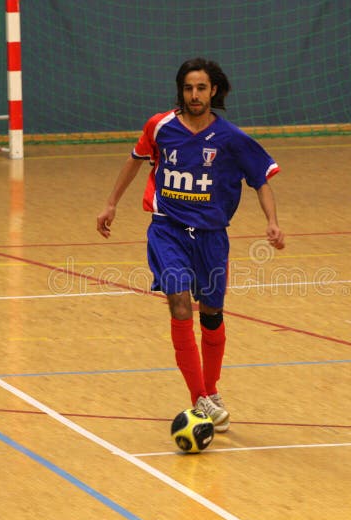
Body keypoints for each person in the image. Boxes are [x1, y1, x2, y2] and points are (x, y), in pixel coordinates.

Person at [96, 58, 284, 433]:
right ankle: (199, 397)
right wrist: (112, 202)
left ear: (213, 91)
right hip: (168, 230)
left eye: (201, 88)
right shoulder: (161, 126)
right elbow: (135, 160)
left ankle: (210, 392)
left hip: (212, 237)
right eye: (188, 88)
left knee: (211, 314)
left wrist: (272, 221)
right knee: (180, 304)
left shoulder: (231, 138)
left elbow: (261, 180)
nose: (194, 95)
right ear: (180, 91)